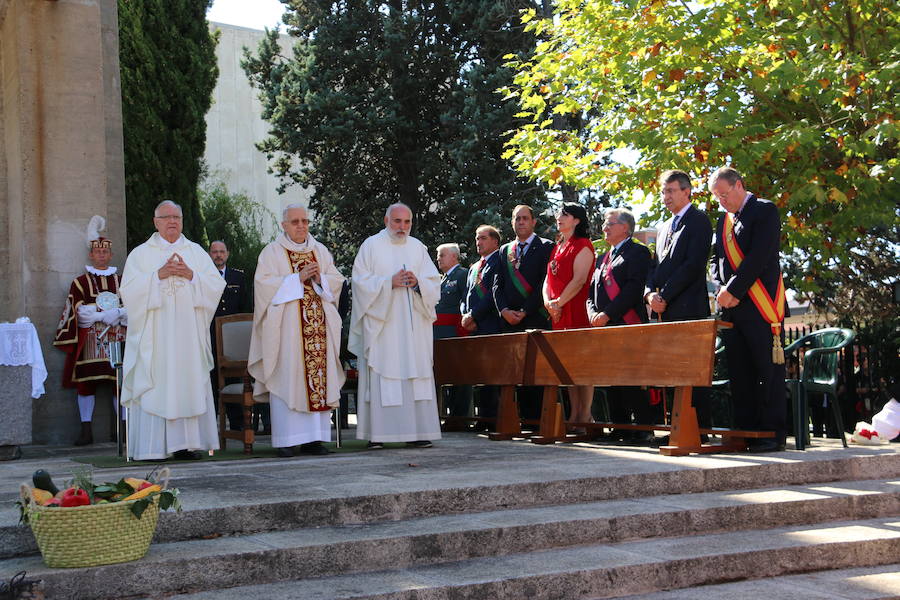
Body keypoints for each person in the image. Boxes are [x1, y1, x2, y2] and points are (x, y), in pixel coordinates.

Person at [120, 200, 226, 460]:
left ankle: (186, 445)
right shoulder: (140, 254)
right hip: (155, 336)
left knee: (187, 380)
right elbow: (128, 293)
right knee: (157, 380)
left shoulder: (196, 252)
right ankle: (154, 447)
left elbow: (215, 287)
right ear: (155, 222)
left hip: (188, 335)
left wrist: (192, 275)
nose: (172, 221)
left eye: (176, 217)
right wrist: (158, 275)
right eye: (166, 217)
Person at [248, 205, 345, 457]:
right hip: (287, 331)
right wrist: (296, 278)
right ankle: (286, 440)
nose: (301, 225)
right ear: (284, 225)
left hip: (319, 329)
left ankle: (315, 440)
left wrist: (320, 279)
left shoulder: (320, 251)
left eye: (304, 221)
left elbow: (336, 281)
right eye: (295, 222)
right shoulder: (271, 252)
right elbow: (263, 287)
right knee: (288, 377)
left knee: (318, 380)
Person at [349, 203, 442, 448]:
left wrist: (419, 282)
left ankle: (419, 432)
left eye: (407, 222)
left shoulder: (418, 248)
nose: (402, 227)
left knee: (417, 373)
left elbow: (434, 282)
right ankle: (379, 434)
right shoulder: (371, 246)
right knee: (383, 371)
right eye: (397, 221)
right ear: (386, 220)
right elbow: (359, 283)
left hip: (414, 327)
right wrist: (387, 283)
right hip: (384, 326)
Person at [709, 166, 788, 452]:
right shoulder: (723, 221)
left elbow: (760, 256)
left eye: (724, 194)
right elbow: (716, 260)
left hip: (761, 304)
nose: (722, 201)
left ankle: (770, 433)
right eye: (717, 197)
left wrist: (734, 289)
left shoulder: (765, 210)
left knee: (767, 370)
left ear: (739, 185)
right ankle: (747, 431)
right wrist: (720, 288)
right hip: (732, 308)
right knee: (740, 373)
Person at [644, 170, 714, 441]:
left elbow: (693, 265)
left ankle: (699, 430)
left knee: (692, 371)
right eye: (663, 192)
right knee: (672, 370)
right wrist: (650, 294)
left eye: (671, 191)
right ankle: (676, 428)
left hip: (690, 307)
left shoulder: (698, 221)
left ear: (687, 192)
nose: (666, 197)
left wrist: (666, 295)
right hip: (666, 310)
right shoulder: (662, 227)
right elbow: (654, 268)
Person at [53, 216, 127, 446]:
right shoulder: (80, 283)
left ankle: (121, 429)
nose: (102, 256)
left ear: (110, 255)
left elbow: (132, 307)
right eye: (98, 253)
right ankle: (86, 430)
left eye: (105, 253)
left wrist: (119, 314)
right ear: (91, 255)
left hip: (117, 340)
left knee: (120, 383)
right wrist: (100, 314)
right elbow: (78, 311)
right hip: (91, 343)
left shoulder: (122, 280)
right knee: (86, 384)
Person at [588, 208, 654, 442]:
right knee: (612, 377)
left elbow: (633, 289)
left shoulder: (638, 252)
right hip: (604, 325)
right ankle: (621, 425)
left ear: (625, 227)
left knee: (632, 377)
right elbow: (590, 293)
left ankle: (643, 427)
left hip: (628, 323)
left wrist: (607, 313)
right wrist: (593, 314)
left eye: (610, 224)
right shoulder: (602, 258)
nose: (604, 228)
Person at [492, 204, 553, 421]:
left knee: (536, 372)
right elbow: (496, 285)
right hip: (509, 321)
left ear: (534, 221)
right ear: (512, 222)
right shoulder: (504, 251)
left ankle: (537, 421)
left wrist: (525, 311)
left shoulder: (546, 246)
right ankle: (520, 420)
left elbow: (544, 283)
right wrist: (504, 310)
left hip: (534, 316)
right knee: (513, 372)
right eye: (517, 219)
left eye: (525, 218)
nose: (521, 222)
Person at [542, 203, 595, 429]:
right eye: (559, 214)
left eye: (565, 215)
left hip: (575, 310)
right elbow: (547, 279)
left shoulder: (583, 245)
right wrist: (548, 303)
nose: (559, 218)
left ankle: (585, 415)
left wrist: (559, 303)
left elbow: (580, 280)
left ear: (577, 220)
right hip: (558, 313)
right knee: (567, 367)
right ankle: (573, 414)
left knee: (583, 366)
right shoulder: (558, 246)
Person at [461, 225, 503, 429]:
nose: (479, 242)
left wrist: (473, 315)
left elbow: (491, 295)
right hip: (473, 326)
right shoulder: (474, 267)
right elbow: (466, 295)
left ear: (495, 241)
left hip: (491, 324)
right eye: (477, 239)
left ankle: (493, 419)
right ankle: (483, 417)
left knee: (492, 374)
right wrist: (465, 314)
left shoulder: (500, 261)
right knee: (479, 374)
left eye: (483, 238)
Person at [208, 240, 250, 432]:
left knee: (234, 379)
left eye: (221, 251)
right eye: (214, 252)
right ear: (210, 255)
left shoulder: (238, 277)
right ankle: (212, 427)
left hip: (233, 338)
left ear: (228, 254)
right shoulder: (204, 276)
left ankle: (237, 425)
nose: (218, 255)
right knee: (211, 379)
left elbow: (245, 306)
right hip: (210, 337)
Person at [433, 243, 472, 425]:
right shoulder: (442, 279)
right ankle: (448, 416)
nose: (438, 259)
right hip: (439, 335)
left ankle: (459, 417)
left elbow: (466, 301)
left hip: (454, 333)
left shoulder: (462, 275)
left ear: (454, 257)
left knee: (458, 375)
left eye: (442, 255)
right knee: (443, 375)